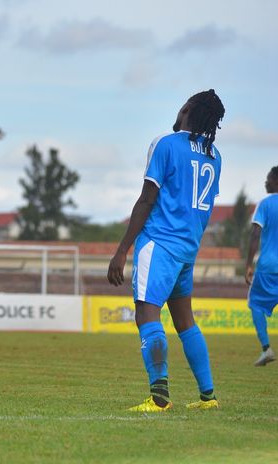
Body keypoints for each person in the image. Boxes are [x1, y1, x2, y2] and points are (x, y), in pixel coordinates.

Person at [107, 89, 225, 412]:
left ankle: (159, 398)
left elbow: (147, 199)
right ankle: (208, 397)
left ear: (187, 108)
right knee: (185, 320)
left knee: (146, 313)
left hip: (159, 243)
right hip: (188, 249)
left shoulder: (165, 144)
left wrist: (121, 250)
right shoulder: (214, 156)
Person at [245, 166, 278, 366]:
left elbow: (255, 234)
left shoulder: (265, 204)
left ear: (276, 180)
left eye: (269, 179)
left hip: (268, 267)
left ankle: (266, 349)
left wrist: (248, 264)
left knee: (255, 303)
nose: (266, 182)